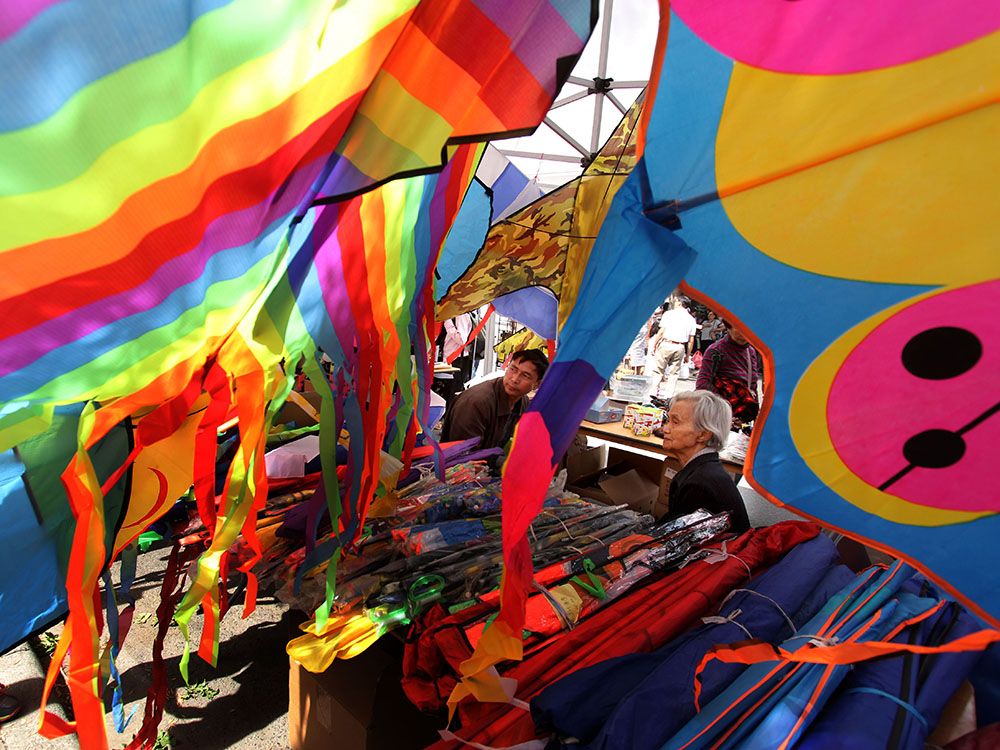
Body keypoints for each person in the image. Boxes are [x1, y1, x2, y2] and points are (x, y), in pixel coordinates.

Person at [659, 390, 750, 533]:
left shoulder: (699, 485)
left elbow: (680, 542)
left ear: (703, 434)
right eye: (667, 420)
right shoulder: (703, 471)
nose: (665, 428)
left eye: (675, 422)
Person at [440, 348, 548, 452]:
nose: (514, 379)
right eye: (513, 369)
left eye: (525, 375)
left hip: (489, 463)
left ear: (537, 384)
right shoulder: (477, 402)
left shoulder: (522, 402)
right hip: (461, 466)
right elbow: (464, 456)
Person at [695, 320, 762, 426]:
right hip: (717, 416)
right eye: (739, 331)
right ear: (728, 328)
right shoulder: (716, 350)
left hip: (739, 417)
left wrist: (750, 412)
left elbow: (752, 387)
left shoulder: (751, 351)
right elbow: (702, 384)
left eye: (748, 331)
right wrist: (726, 407)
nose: (744, 335)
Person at [649, 298, 697, 398]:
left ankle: (653, 392)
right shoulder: (691, 319)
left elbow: (661, 331)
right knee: (674, 374)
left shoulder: (669, 314)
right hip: (680, 346)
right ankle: (668, 396)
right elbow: (691, 339)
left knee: (658, 370)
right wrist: (687, 355)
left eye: (675, 301)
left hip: (667, 343)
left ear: (680, 303)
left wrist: (654, 344)